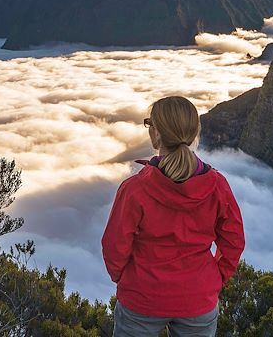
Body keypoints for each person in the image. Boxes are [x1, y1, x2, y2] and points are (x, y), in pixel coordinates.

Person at [101, 96, 245, 337]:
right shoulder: (217, 186)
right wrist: (214, 279)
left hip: (142, 297)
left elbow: (114, 245)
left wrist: (126, 280)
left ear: (156, 135)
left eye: (150, 124)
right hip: (198, 298)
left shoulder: (135, 190)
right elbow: (234, 241)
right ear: (194, 132)